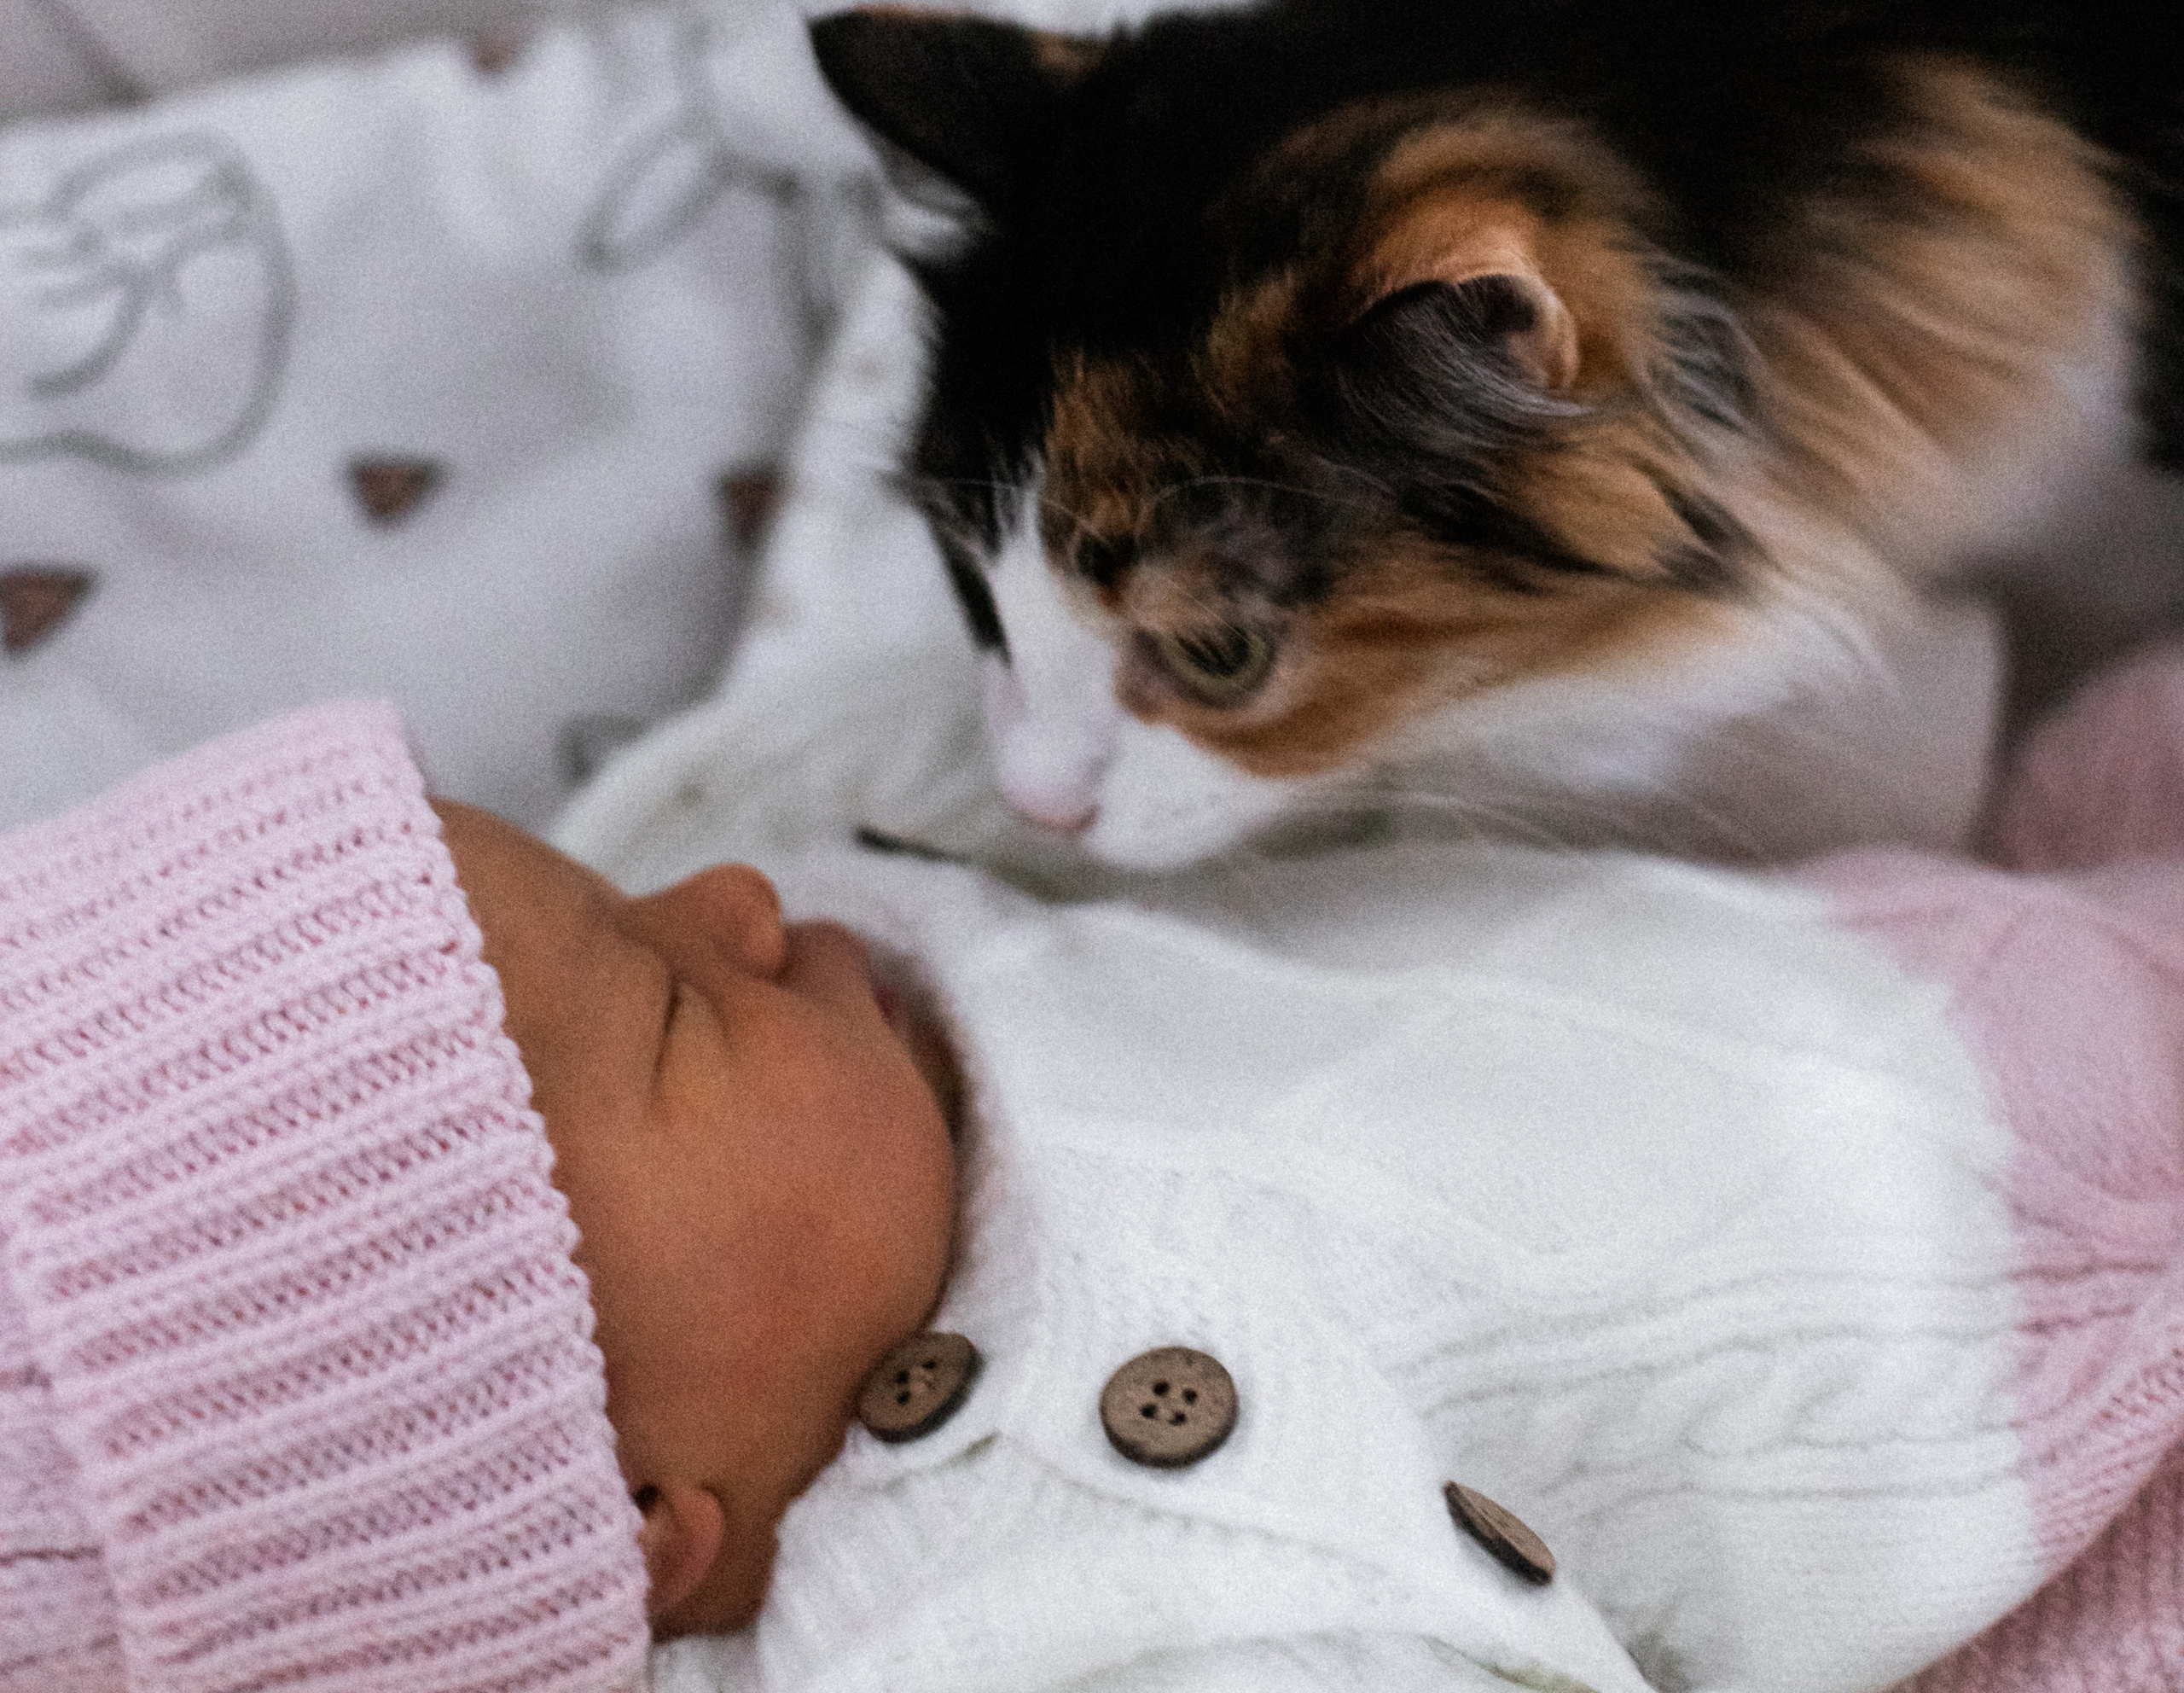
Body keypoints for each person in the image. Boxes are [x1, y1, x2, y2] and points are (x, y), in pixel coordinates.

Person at [5, 682, 2184, 1693]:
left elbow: (916, 665)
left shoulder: (816, 975)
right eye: (676, 1012)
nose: (734, 902)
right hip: (2060, 1430)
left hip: (1956, 900)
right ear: (634, 1530)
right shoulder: (1007, 1602)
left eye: (624, 887)